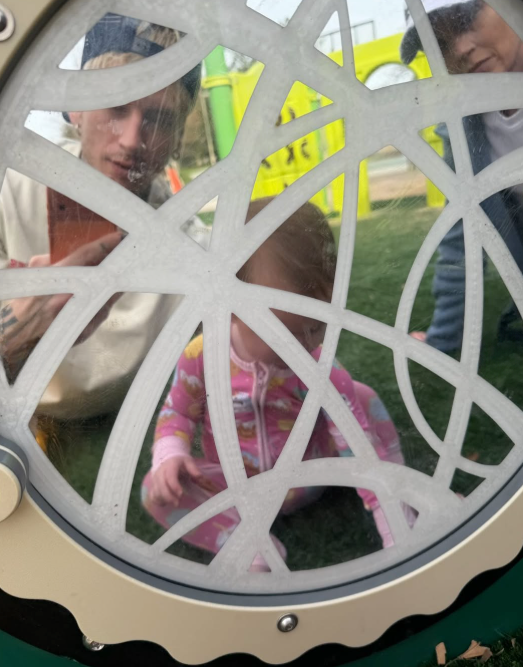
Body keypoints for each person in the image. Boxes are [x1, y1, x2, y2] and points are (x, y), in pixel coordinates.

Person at [142, 198, 414, 567]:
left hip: (313, 474)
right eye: (284, 333)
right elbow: (177, 413)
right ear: (229, 306)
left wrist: (396, 528)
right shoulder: (202, 356)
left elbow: (359, 449)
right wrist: (170, 455)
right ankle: (247, 543)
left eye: (317, 327)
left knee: (362, 398)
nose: (303, 347)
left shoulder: (320, 367)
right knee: (155, 490)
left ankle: (400, 494)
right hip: (233, 486)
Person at [0, 15, 208, 445]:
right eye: (116, 106)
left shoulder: (194, 253)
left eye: (159, 119)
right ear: (76, 108)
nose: (132, 139)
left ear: (176, 137)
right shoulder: (11, 181)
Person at [401, 0, 523, 352]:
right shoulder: (463, 125)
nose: (459, 48)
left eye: (467, 18)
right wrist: (442, 340)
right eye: (438, 41)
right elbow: (464, 230)